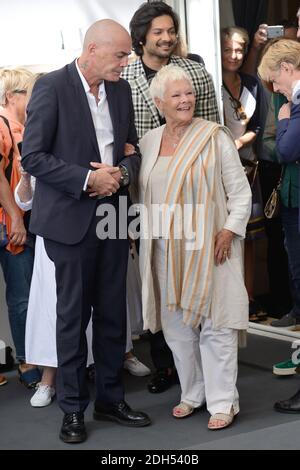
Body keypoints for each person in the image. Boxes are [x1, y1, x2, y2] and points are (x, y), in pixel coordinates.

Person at [22, 19, 151, 443]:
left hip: (114, 216)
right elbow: (34, 157)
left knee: (115, 315)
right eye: (120, 55)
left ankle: (111, 401)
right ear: (92, 50)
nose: (126, 62)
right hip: (69, 220)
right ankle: (73, 409)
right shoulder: (51, 86)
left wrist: (122, 176)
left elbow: (132, 148)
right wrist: (86, 179)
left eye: (128, 54)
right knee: (72, 319)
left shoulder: (122, 90)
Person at [137, 64, 251, 429]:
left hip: (211, 247)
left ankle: (223, 402)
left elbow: (241, 193)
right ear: (159, 102)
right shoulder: (149, 141)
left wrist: (229, 231)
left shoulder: (214, 137)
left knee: (215, 325)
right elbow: (142, 194)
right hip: (164, 250)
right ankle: (193, 392)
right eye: (176, 95)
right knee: (177, 329)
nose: (186, 100)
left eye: (189, 94)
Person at [122, 0, 220, 394]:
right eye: (158, 31)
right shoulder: (125, 77)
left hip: (196, 195)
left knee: (197, 278)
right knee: (160, 281)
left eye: (170, 30)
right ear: (141, 36)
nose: (166, 38)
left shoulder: (195, 70)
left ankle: (205, 369)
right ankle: (168, 367)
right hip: (150, 194)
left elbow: (214, 129)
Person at [258, 37, 300, 413]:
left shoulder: (293, 103)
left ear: (286, 68)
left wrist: (286, 125)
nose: (274, 89)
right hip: (291, 198)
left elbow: (285, 149)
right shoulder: (288, 99)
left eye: (275, 80)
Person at [0, 68, 41, 389]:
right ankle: (27, 361)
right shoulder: (4, 127)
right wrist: (15, 217)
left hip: (16, 223)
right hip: (10, 225)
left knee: (23, 295)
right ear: (11, 97)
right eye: (28, 92)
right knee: (22, 296)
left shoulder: (19, 129)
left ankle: (30, 359)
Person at [221, 27, 265, 321]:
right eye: (227, 50)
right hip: (222, 173)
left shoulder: (251, 83)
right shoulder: (210, 83)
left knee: (250, 239)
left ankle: (248, 299)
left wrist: (241, 142)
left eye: (239, 50)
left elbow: (259, 126)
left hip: (249, 169)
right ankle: (230, 300)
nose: (234, 56)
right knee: (226, 236)